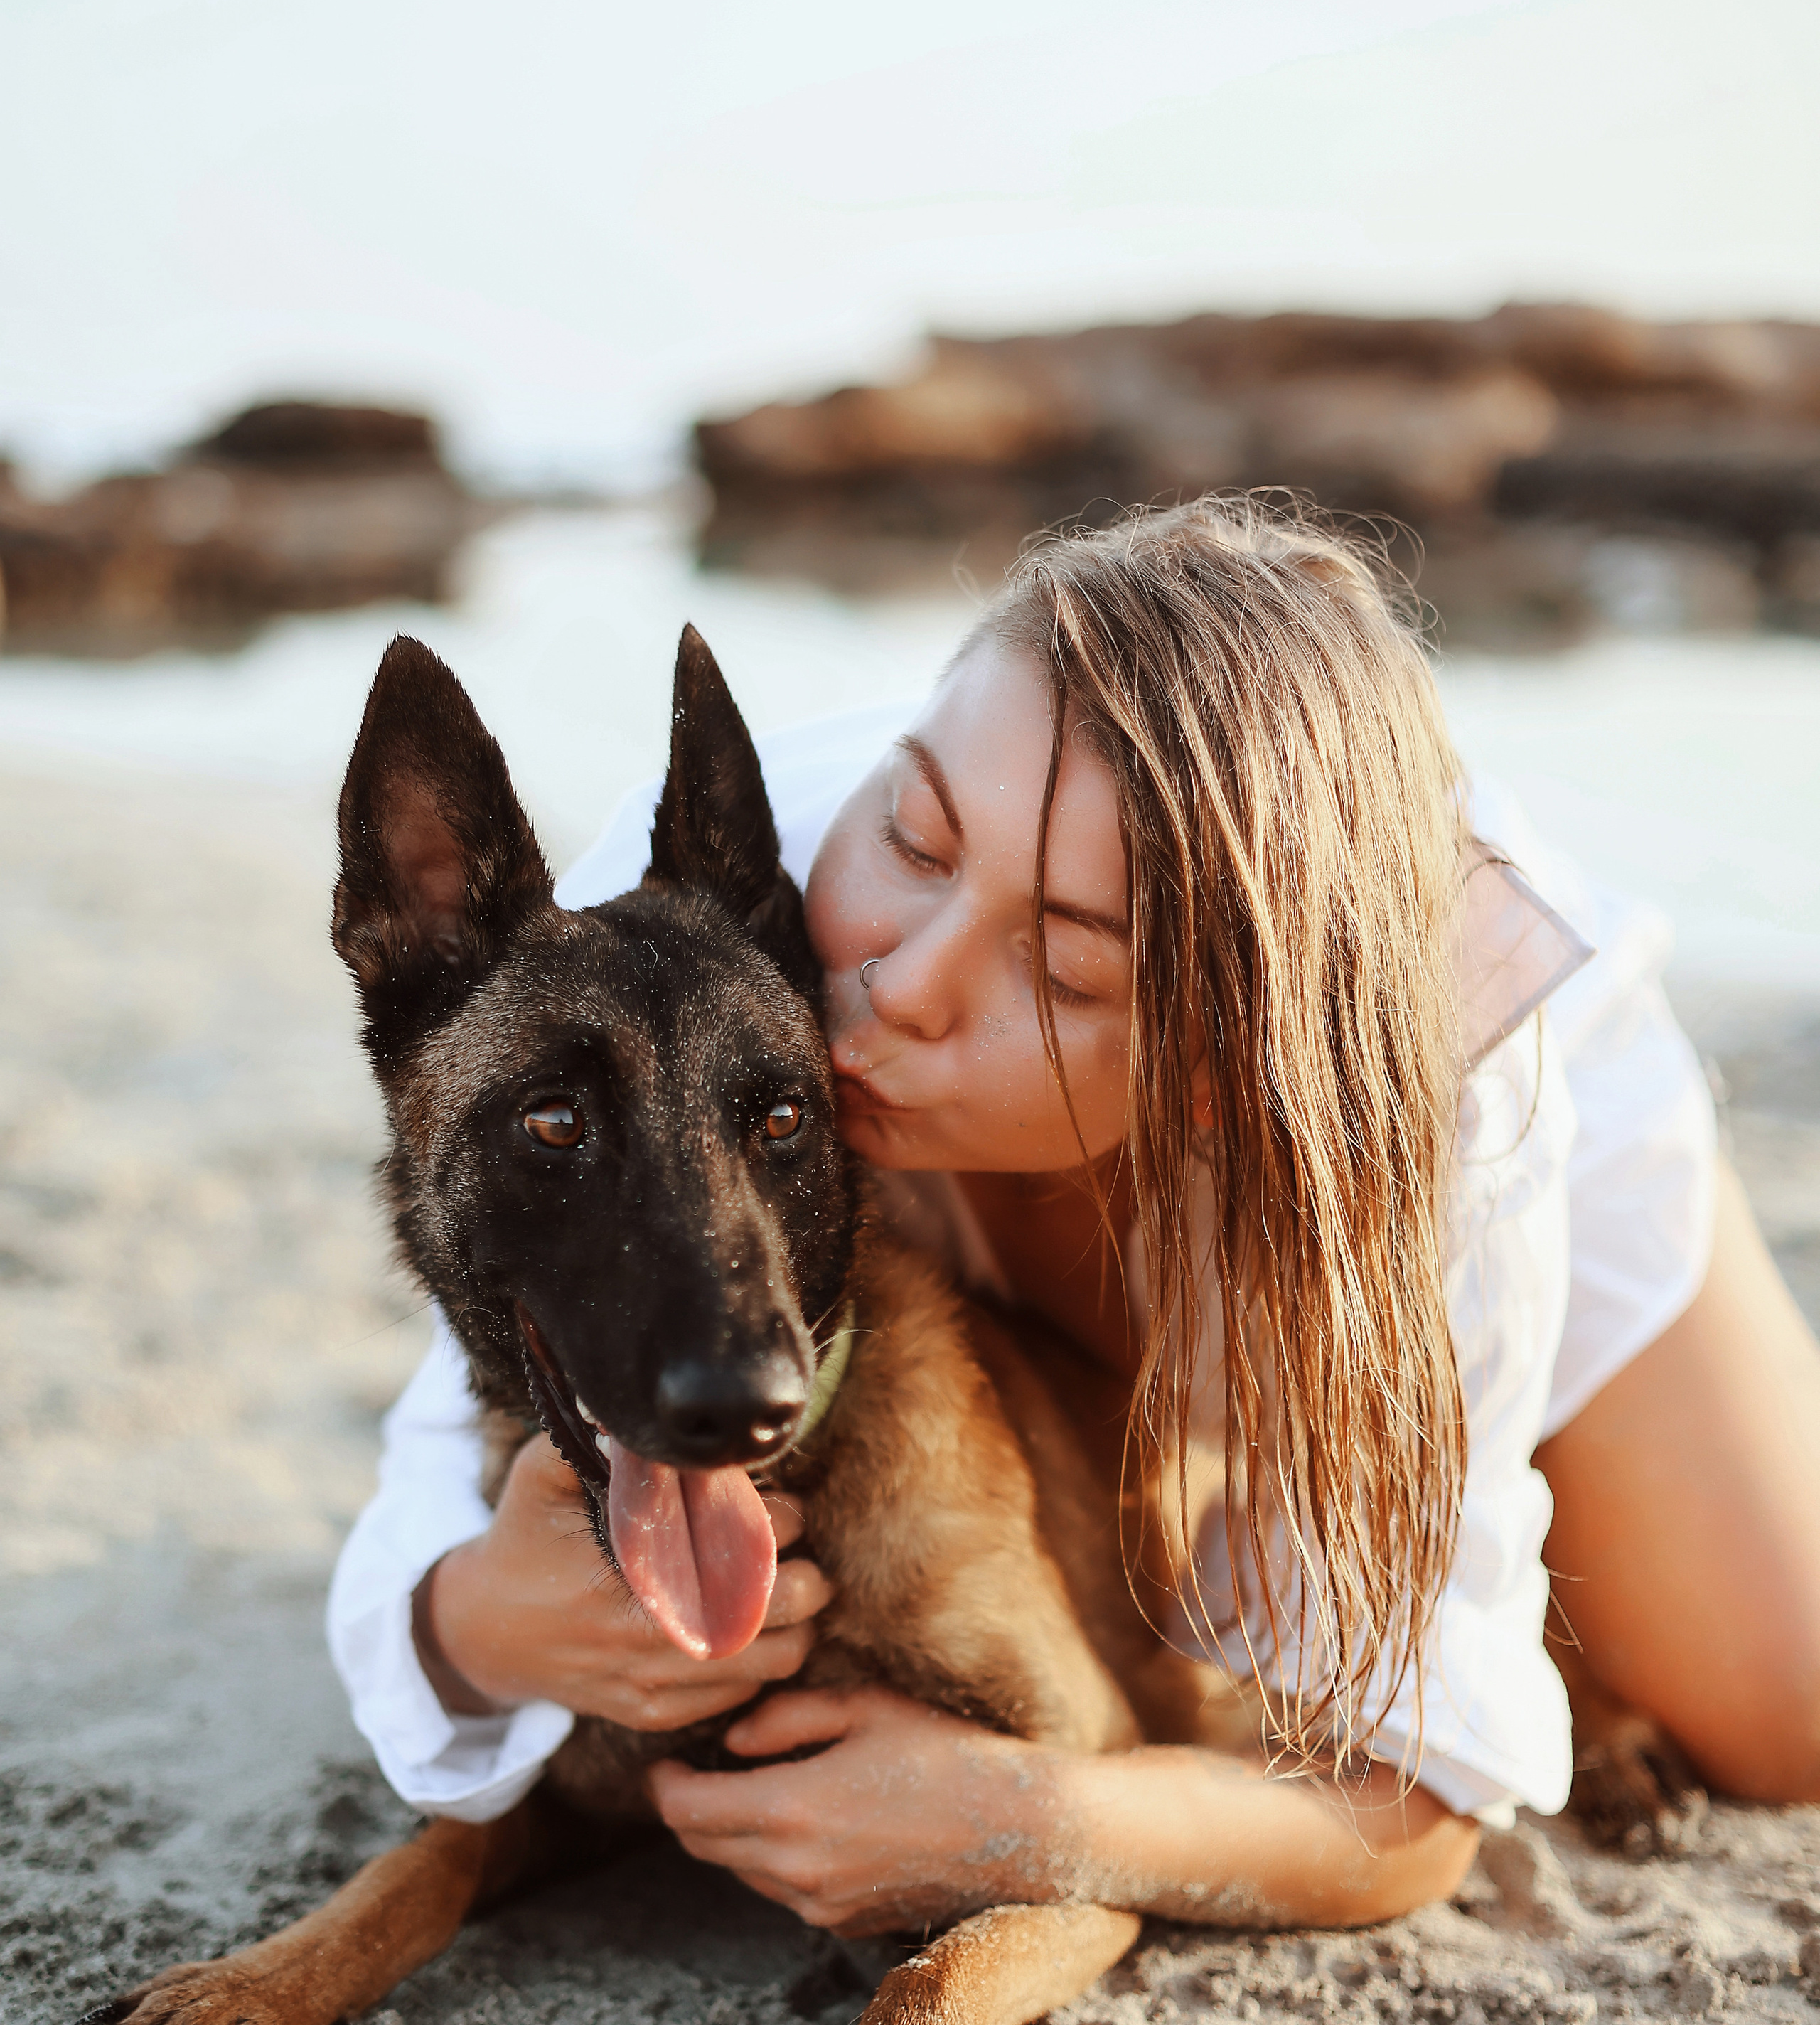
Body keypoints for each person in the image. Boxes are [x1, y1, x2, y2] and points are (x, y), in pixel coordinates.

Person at [328, 498, 1820, 1941]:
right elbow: (458, 1403)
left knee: (1780, 1726)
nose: (899, 980)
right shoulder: (709, 901)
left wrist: (1032, 1816)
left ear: (1204, 1065)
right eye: (913, 840)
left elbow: (1414, 1794)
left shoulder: (1462, 1120)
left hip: (1380, 1146)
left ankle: (1522, 1475)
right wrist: (472, 1622)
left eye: (1062, 969)